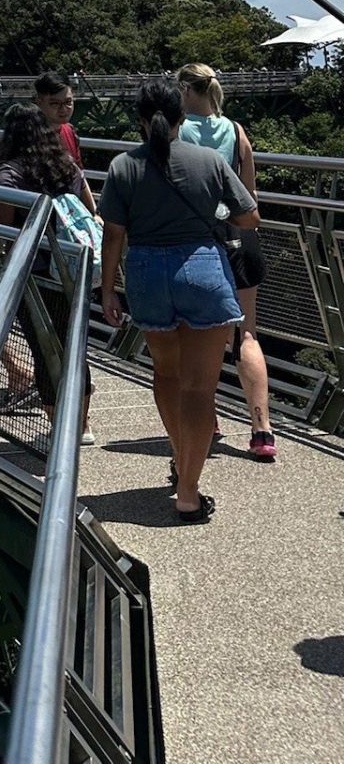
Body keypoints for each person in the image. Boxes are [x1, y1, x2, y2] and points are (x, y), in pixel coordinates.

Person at [99, 81, 259, 522]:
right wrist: (217, 212)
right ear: (180, 120)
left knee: (166, 375)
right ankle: (188, 489)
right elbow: (249, 216)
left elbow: (113, 234)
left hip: (148, 274)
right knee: (200, 388)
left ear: (138, 121)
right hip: (202, 269)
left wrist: (108, 289)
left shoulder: (122, 167)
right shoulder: (208, 160)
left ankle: (179, 453)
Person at [177, 63, 276, 461]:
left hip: (199, 240)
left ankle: (209, 417)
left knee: (200, 337)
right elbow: (250, 195)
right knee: (247, 335)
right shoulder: (236, 131)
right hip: (241, 235)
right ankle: (262, 431)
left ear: (185, 90)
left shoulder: (178, 131)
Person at [0, 103, 99, 440]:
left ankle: (58, 429)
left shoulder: (11, 173)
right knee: (74, 345)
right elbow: (91, 210)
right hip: (75, 270)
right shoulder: (66, 166)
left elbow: (2, 226)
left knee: (44, 349)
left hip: (36, 273)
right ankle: (82, 425)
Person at [33, 71, 83, 163]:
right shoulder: (30, 136)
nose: (63, 109)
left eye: (68, 102)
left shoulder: (70, 130)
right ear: (39, 102)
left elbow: (78, 172)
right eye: (55, 103)